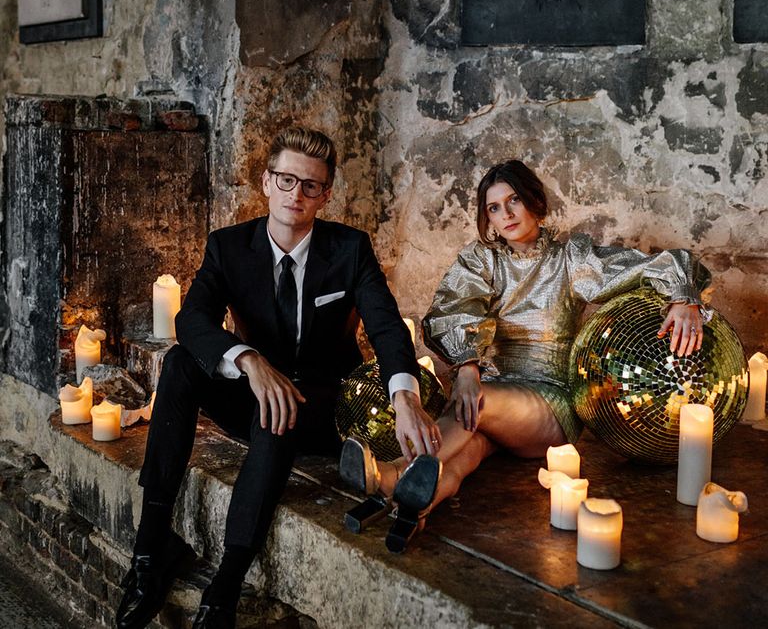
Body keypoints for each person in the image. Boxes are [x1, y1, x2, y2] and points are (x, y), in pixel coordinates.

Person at [115, 126, 441, 629]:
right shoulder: (228, 247)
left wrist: (404, 395)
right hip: (251, 391)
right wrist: (248, 360)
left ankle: (225, 586)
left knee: (279, 411)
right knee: (181, 362)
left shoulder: (350, 249)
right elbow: (192, 320)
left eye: (311, 185)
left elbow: (385, 324)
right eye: (286, 180)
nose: (297, 194)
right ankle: (147, 555)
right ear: (266, 183)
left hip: (318, 409)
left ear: (325, 194)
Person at [340, 159, 710, 552]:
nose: (506, 214)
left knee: (472, 405)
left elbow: (653, 265)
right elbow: (452, 309)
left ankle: (392, 473)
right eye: (494, 208)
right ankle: (420, 502)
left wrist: (683, 298)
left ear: (533, 199)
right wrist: (467, 366)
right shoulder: (482, 259)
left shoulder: (571, 259)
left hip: (550, 404)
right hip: (492, 389)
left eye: (514, 200)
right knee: (465, 455)